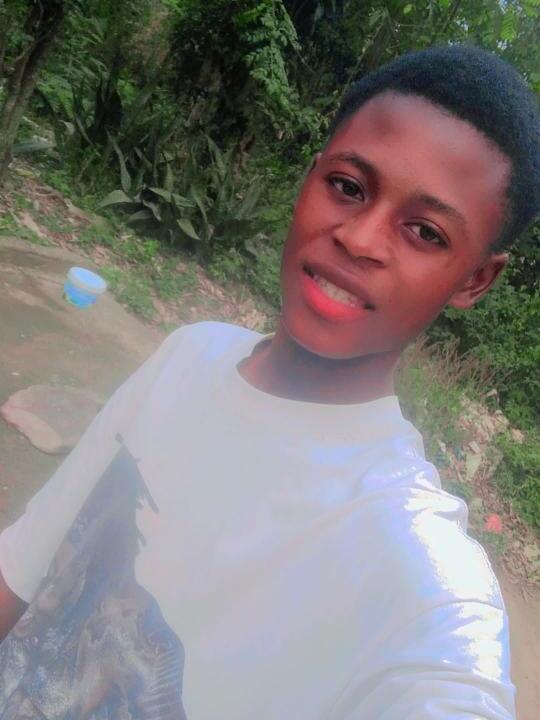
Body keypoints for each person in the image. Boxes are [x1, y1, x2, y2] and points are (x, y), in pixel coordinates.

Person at [0, 44, 538, 720]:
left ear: (475, 280)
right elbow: (23, 564)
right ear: (311, 178)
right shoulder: (188, 355)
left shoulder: (421, 580)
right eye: (348, 187)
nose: (360, 238)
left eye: (425, 232)